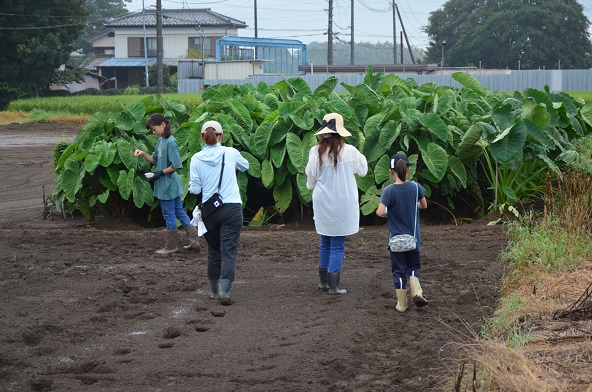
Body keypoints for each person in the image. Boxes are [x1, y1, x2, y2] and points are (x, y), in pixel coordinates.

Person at [305, 112, 368, 295]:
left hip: (322, 200)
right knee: (338, 244)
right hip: (344, 202)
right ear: (340, 132)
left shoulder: (315, 152)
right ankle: (334, 286)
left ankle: (324, 283)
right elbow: (363, 170)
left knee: (325, 241)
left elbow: (311, 179)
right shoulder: (350, 151)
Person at [189, 120, 249, 306]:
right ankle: (225, 292)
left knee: (214, 252)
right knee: (228, 251)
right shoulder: (230, 153)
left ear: (202, 137)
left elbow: (195, 190)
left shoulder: (196, 159)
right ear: (221, 136)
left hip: (210, 211)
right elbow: (246, 166)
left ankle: (214, 292)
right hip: (231, 208)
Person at [134, 113, 201, 255]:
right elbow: (155, 160)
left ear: (163, 124)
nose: (153, 132)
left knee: (169, 214)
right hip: (167, 183)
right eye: (151, 130)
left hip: (168, 185)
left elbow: (176, 165)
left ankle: (171, 246)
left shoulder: (171, 142)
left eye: (154, 129)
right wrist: (143, 153)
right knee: (179, 211)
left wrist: (160, 173)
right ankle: (194, 242)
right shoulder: (161, 141)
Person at [376, 153, 428, 313]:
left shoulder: (388, 191)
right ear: (408, 170)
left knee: (398, 271)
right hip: (413, 240)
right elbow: (424, 205)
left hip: (396, 242)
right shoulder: (415, 187)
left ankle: (402, 304)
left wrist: (388, 212)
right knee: (413, 267)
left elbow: (379, 212)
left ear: (391, 172)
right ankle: (417, 291)